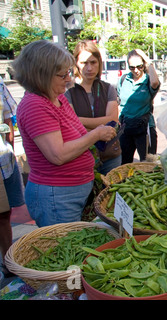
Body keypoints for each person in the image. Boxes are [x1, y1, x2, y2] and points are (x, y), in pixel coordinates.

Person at [12, 40, 117, 227]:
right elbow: (58, 155)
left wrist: (98, 134)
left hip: (70, 192)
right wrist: (96, 135)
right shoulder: (35, 105)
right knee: (62, 247)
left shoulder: (57, 97)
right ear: (41, 76)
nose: (68, 79)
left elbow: (78, 130)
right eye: (62, 75)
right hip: (56, 196)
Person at [65, 40, 121, 175]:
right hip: (83, 155)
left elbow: (113, 120)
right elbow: (70, 126)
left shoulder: (108, 88)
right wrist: (101, 128)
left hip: (111, 153)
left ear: (99, 63)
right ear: (76, 64)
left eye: (93, 62)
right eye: (84, 63)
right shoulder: (68, 91)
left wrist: (77, 119)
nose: (89, 68)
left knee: (111, 192)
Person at [117, 49, 160, 164]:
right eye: (132, 67)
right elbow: (118, 102)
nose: (136, 70)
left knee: (148, 164)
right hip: (126, 127)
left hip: (144, 128)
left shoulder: (148, 80)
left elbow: (155, 83)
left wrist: (148, 61)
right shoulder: (123, 80)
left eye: (139, 66)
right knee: (124, 163)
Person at [0, 84, 25, 277]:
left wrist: (10, 147)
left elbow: (8, 120)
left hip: (4, 159)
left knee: (4, 215)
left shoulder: (0, 86)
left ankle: (8, 261)